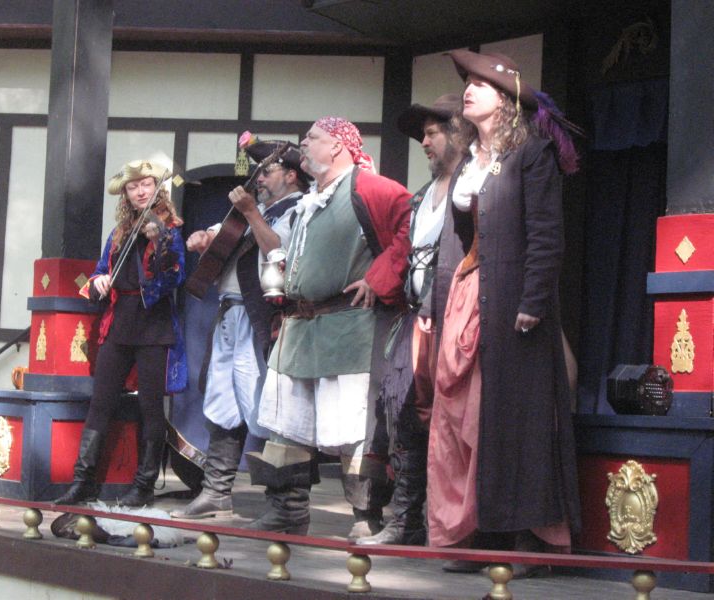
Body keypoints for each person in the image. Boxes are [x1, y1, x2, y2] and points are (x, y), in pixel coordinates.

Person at [427, 49, 582, 575]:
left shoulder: (532, 154)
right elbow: (462, 240)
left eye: (481, 84)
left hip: (515, 301)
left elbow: (546, 235)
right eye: (467, 83)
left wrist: (533, 301)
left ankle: (529, 539)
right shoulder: (470, 162)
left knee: (518, 419)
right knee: (470, 417)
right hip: (473, 298)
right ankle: (483, 531)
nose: (469, 90)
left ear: (507, 100)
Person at [245, 117, 411, 538]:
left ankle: (366, 516)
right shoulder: (309, 200)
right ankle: (287, 510)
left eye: (312, 138)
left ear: (338, 145)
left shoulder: (370, 188)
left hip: (348, 326)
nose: (303, 144)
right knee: (286, 425)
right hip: (299, 328)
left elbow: (413, 227)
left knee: (356, 427)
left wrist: (379, 278)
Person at [170, 140, 308, 520]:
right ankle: (216, 492)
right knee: (222, 403)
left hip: (264, 317)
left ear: (291, 175)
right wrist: (204, 240)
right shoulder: (255, 210)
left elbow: (279, 254)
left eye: (267, 171)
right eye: (258, 172)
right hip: (231, 312)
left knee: (267, 407)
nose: (258, 178)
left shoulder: (300, 210)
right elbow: (220, 236)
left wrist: (251, 213)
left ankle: (286, 506)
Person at [357, 94, 470, 546]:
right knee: (404, 421)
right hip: (413, 324)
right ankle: (406, 521)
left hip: (456, 323)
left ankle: (453, 526)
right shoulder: (422, 196)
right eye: (422, 134)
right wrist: (377, 281)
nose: (424, 142)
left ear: (459, 133)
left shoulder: (472, 188)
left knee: (454, 425)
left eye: (432, 133)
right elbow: (403, 252)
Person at [54, 160, 187, 507]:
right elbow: (99, 273)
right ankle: (83, 482)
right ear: (125, 194)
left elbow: (175, 277)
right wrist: (98, 281)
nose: (141, 191)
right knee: (100, 403)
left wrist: (160, 243)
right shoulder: (118, 233)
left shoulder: (170, 229)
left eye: (146, 184)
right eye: (133, 186)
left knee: (150, 408)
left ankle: (144, 485)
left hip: (154, 325)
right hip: (118, 323)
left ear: (157, 187)